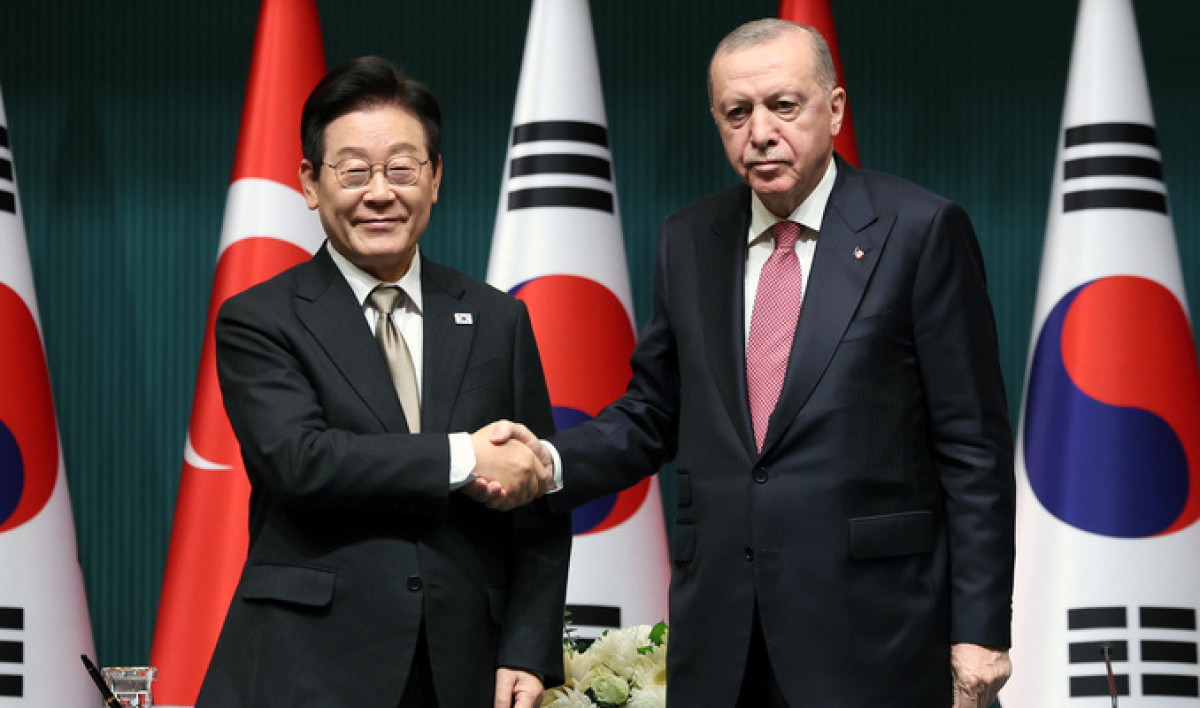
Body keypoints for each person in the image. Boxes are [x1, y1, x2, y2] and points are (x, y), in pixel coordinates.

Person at [496, 17, 1015, 707]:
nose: (760, 132)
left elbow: (973, 446)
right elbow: (653, 412)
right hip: (722, 641)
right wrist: (547, 463)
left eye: (783, 105)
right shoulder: (688, 239)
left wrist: (980, 629)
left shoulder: (920, 231)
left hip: (875, 636)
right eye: (736, 113)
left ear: (834, 109)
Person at [195, 56, 570, 708]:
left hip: (464, 668)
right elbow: (300, 461)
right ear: (311, 183)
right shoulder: (260, 317)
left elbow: (536, 493)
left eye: (401, 169)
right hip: (307, 668)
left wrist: (528, 648)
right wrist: (462, 456)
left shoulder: (497, 318)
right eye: (353, 171)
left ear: (435, 178)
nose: (379, 193)